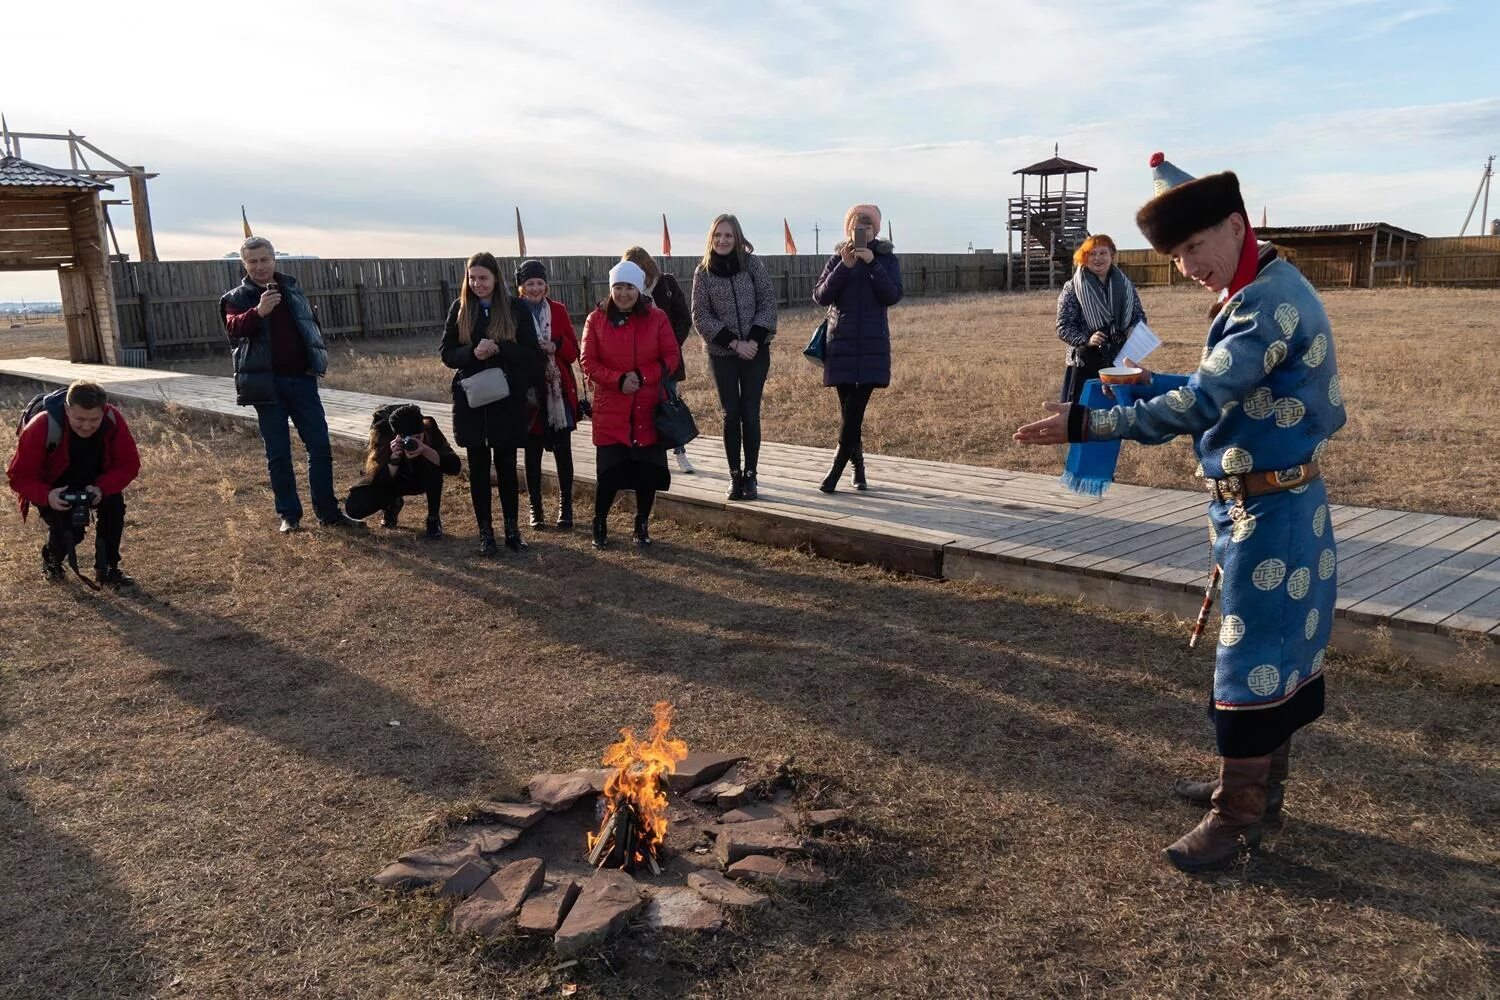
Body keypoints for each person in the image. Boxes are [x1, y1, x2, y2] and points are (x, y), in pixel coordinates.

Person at [1013, 153, 1347, 873]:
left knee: (1254, 660)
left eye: (1194, 247)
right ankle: (1251, 789)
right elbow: (1223, 386)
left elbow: (1202, 405)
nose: (1187, 265)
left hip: (1274, 515)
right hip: (1269, 506)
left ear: (1235, 225)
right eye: (1174, 254)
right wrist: (1147, 381)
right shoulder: (1258, 287)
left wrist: (1086, 424)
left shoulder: (1265, 303)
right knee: (1272, 656)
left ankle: (1237, 817)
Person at [220, 236, 360, 533]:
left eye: (265, 259)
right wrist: (258, 311)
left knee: (320, 447)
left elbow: (309, 325)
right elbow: (233, 328)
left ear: (274, 259)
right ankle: (289, 515)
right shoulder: (236, 297)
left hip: (302, 381)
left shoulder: (292, 288)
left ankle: (328, 511)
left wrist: (316, 360)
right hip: (266, 386)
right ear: (244, 264)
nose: (260, 266)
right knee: (279, 453)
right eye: (253, 261)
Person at [441, 251, 544, 555]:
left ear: (496, 278)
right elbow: (447, 353)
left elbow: (530, 354)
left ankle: (512, 530)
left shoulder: (516, 308)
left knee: (507, 468)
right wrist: (473, 352)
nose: (477, 284)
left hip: (505, 402)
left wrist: (499, 349)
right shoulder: (460, 308)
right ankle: (486, 533)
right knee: (478, 469)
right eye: (472, 278)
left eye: (483, 278)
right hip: (472, 401)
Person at [580, 261, 680, 549]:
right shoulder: (595, 320)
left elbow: (671, 356)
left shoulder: (657, 318)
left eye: (629, 287)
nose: (623, 293)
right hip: (612, 408)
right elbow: (588, 362)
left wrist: (642, 376)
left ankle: (642, 523)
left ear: (639, 289)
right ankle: (599, 521)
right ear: (611, 289)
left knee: (647, 473)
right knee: (609, 473)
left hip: (649, 407)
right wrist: (619, 380)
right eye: (618, 287)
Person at [8, 381, 140, 586]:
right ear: (67, 409)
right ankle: (52, 561)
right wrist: (47, 496)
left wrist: (102, 488)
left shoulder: (113, 420)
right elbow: (19, 475)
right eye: (79, 419)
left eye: (94, 419)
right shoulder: (42, 426)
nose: (86, 426)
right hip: (54, 487)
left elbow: (129, 464)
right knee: (71, 533)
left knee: (113, 511)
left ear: (103, 411)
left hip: (97, 482)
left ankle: (108, 568)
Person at [811, 203, 903, 493]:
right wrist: (844, 266)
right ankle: (859, 470)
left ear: (875, 230)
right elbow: (821, 296)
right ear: (848, 230)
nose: (861, 232)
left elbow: (893, 295)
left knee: (855, 411)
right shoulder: (838, 258)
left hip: (872, 344)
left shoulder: (886, 259)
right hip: (841, 344)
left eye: (867, 228)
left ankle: (835, 471)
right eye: (855, 228)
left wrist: (872, 263)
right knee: (849, 412)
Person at [690, 214, 777, 500]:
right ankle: (734, 476)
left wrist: (751, 339)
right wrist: (733, 343)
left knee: (750, 413)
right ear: (710, 239)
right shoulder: (702, 272)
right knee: (731, 414)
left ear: (737, 238)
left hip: (755, 350)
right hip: (722, 353)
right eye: (717, 235)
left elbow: (767, 302)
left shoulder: (752, 265)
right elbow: (700, 315)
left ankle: (751, 475)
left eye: (728, 235)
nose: (722, 240)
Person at [515, 260, 582, 530]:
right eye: (529, 283)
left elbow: (574, 351)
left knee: (563, 452)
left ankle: (566, 506)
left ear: (546, 286)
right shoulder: (513, 311)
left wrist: (555, 346)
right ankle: (536, 507)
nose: (534, 288)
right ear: (521, 287)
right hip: (529, 393)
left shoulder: (558, 310)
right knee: (532, 453)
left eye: (539, 283)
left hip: (557, 392)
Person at [624, 246, 695, 474]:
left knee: (669, 405)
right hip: (638, 361)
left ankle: (680, 453)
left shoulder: (666, 284)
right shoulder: (627, 290)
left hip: (667, 361)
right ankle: (642, 456)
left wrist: (671, 345)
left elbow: (684, 318)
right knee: (639, 410)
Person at [342, 403, 461, 537]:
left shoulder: (429, 428)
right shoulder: (383, 433)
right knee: (355, 506)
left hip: (421, 477)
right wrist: (393, 458)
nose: (413, 442)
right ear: (397, 436)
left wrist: (426, 450)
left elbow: (455, 467)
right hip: (394, 481)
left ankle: (433, 519)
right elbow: (375, 481)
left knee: (434, 465)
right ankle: (391, 504)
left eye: (418, 437)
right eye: (408, 439)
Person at [1056, 234, 1147, 403]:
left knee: (1119, 413)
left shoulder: (1126, 285)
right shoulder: (1072, 287)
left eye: (1103, 253)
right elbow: (1063, 326)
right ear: (1085, 257)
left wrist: (1134, 327)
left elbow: (1139, 316)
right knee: (1084, 414)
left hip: (1120, 361)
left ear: (1112, 255)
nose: (1097, 258)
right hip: (1085, 361)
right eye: (1092, 253)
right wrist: (1087, 340)